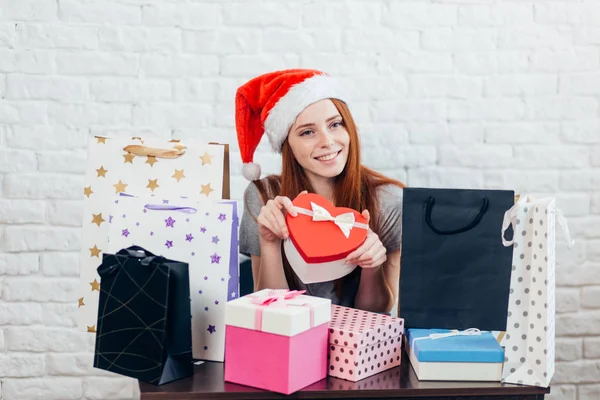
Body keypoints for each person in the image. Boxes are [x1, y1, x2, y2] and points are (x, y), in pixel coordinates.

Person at [236, 69, 404, 313]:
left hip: (356, 347)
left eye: (335, 124)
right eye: (307, 132)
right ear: (287, 145)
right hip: (289, 339)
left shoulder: (388, 200)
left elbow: (378, 312)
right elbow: (270, 309)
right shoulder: (264, 196)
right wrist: (270, 243)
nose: (327, 141)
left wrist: (372, 266)